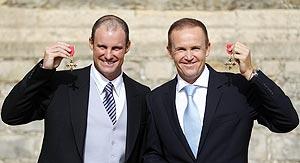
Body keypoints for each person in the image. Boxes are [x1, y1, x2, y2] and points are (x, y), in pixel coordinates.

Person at [143, 18, 299, 163]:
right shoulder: (156, 99)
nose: (189, 56)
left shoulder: (238, 88)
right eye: (181, 49)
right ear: (170, 51)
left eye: (195, 48)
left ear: (207, 48)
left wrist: (251, 73)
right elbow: (152, 153)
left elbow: (287, 121)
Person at [1, 15, 150, 163]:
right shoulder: (62, 85)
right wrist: (43, 71)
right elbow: (12, 114)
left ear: (127, 47)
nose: (108, 55)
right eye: (102, 47)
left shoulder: (141, 94)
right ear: (91, 43)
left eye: (116, 48)